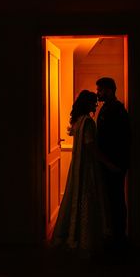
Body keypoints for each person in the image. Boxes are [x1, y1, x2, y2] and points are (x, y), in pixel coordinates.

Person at [51, 90, 111, 256]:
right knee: (88, 196)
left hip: (77, 164)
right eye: (93, 102)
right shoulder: (88, 122)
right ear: (87, 103)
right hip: (88, 165)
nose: (96, 104)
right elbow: (91, 147)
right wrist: (107, 162)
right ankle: (87, 239)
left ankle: (74, 234)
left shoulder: (78, 121)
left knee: (75, 196)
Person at [95, 77, 130, 248]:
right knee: (111, 198)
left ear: (109, 90)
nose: (98, 93)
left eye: (100, 90)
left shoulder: (118, 110)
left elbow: (121, 139)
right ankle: (114, 233)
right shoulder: (106, 109)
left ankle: (119, 236)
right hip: (107, 162)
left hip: (114, 163)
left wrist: (114, 163)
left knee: (116, 199)